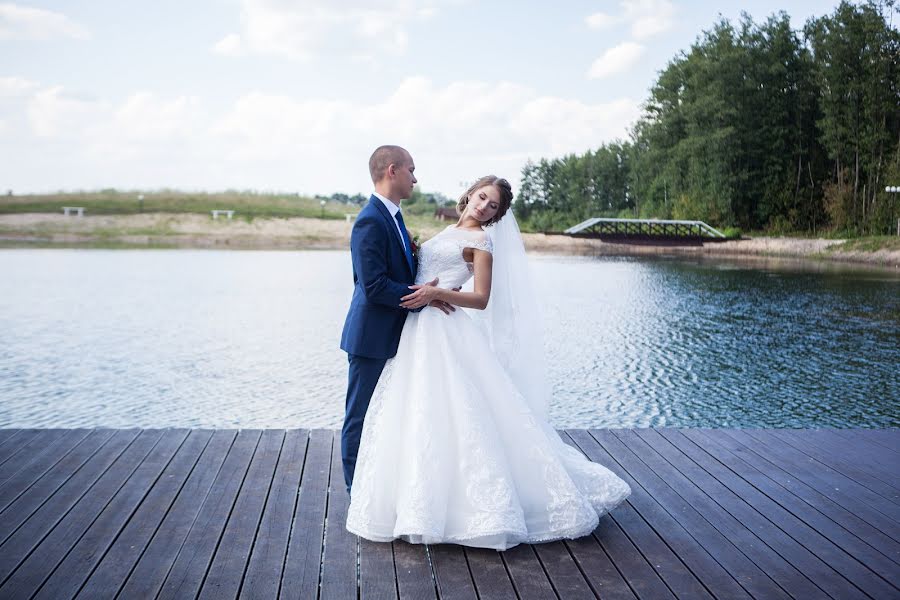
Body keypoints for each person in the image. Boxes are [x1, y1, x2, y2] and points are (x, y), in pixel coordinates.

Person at [345, 175, 632, 551]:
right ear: (469, 195)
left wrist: (436, 292)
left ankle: (465, 509)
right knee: (417, 413)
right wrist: (428, 292)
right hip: (416, 329)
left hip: (444, 327)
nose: (483, 206)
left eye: (493, 205)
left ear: (497, 215)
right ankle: (411, 500)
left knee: (456, 413)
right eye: (482, 197)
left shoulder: (482, 241)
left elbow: (480, 298)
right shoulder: (447, 230)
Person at [340, 145, 454, 497]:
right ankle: (355, 493)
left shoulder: (394, 216)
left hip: (395, 333)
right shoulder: (370, 220)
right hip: (371, 337)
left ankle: (379, 488)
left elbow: (397, 269)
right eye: (411, 170)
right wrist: (420, 295)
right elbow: (372, 286)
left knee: (386, 414)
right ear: (392, 170)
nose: (416, 179)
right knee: (360, 416)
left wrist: (428, 294)